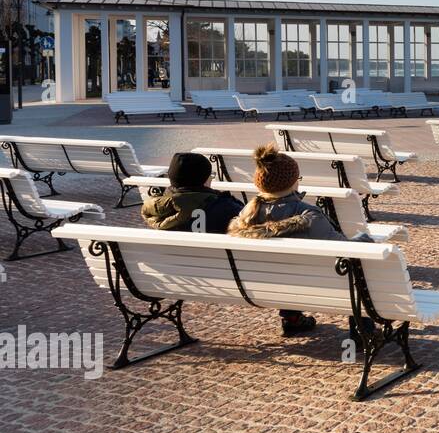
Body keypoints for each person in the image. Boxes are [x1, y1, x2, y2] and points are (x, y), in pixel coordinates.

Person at [226, 144, 371, 336]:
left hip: (266, 286)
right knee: (361, 262)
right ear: (294, 182)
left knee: (283, 266)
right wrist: (365, 239)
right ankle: (363, 333)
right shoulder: (308, 216)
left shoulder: (245, 216)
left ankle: (292, 318)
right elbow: (344, 250)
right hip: (319, 287)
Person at [142, 152, 243, 233]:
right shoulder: (227, 208)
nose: (211, 179)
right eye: (210, 175)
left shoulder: (157, 211)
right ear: (203, 179)